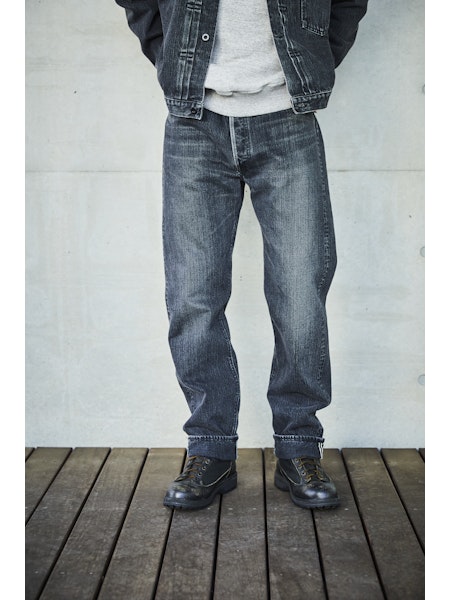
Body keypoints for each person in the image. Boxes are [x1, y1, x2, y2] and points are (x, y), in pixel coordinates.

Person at [115, 0, 368, 510]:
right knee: (193, 298)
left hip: (288, 116)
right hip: (195, 120)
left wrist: (314, 54)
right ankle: (210, 449)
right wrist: (170, 54)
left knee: (300, 294)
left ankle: (298, 447)